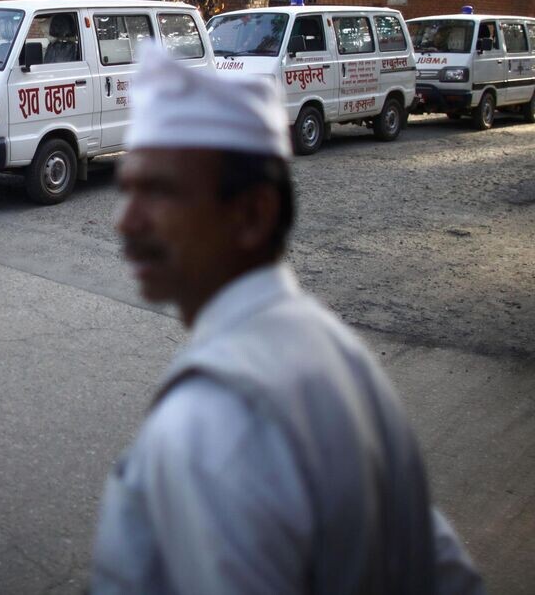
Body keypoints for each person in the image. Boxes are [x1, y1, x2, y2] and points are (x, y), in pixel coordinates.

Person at [91, 48, 483, 594]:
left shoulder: (212, 425)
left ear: (252, 214)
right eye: (126, 188)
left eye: (158, 191)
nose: (124, 221)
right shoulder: (337, 352)